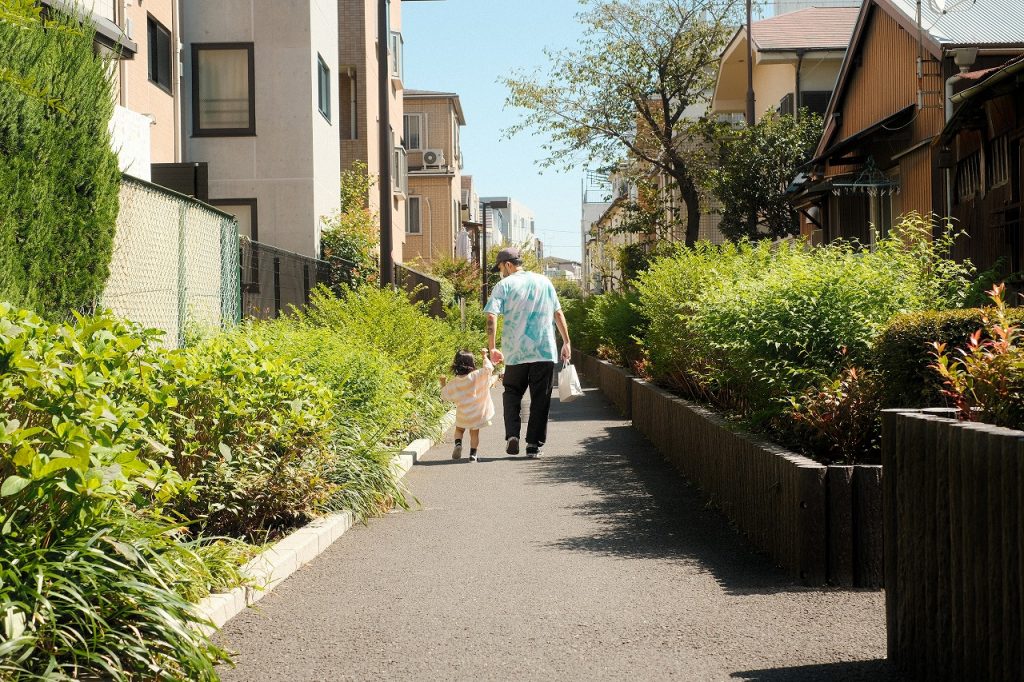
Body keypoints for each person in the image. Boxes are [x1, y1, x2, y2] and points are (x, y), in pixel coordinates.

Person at [484, 247, 571, 458]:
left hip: (516, 352)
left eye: (500, 268)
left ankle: (512, 435)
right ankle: (533, 445)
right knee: (541, 398)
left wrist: (492, 346)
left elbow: (491, 317)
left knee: (512, 393)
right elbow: (558, 313)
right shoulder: (544, 282)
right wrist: (567, 342)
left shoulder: (504, 285)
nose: (500, 272)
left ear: (507, 264)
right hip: (544, 351)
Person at [440, 349, 495, 462]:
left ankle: (458, 444)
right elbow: (489, 369)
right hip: (476, 414)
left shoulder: (455, 382)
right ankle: (472, 455)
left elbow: (445, 394)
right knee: (474, 433)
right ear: (471, 363)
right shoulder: (476, 375)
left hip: (463, 413)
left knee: (459, 430)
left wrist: (443, 382)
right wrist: (484, 356)